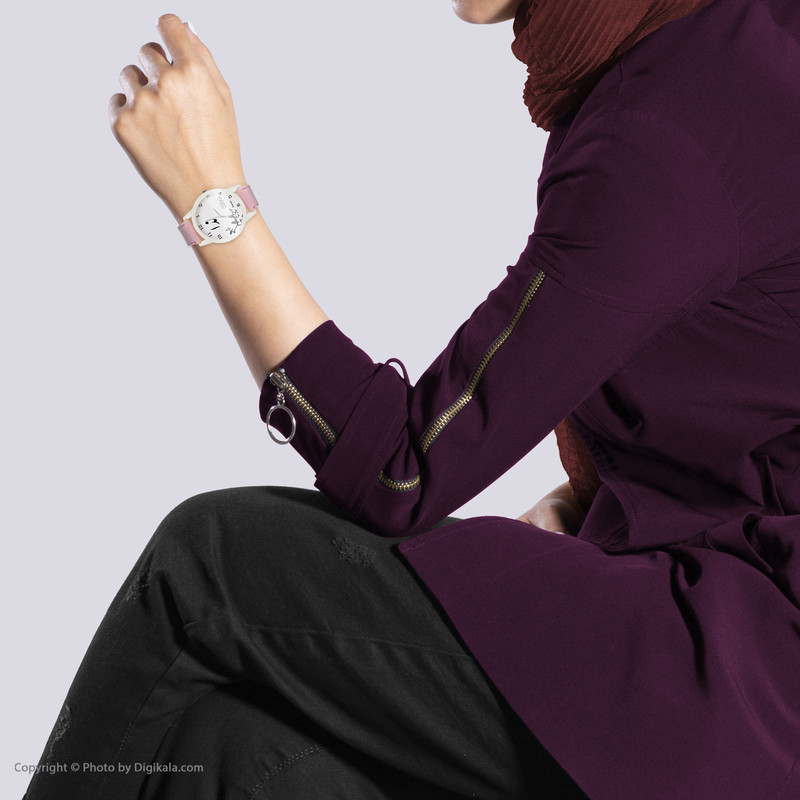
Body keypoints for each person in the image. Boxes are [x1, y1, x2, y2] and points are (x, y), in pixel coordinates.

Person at [23, 0, 800, 797]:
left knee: (205, 563)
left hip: (730, 690)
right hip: (722, 666)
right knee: (242, 755)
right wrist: (592, 500)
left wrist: (211, 202)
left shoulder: (670, 126)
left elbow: (404, 471)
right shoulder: (734, 52)